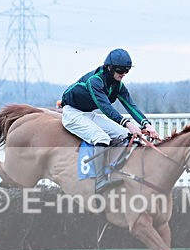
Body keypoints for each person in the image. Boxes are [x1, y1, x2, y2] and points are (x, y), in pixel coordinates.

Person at [60, 48, 160, 193]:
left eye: (126, 70)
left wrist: (147, 125)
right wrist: (128, 123)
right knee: (101, 138)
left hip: (87, 113)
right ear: (109, 67)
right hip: (72, 113)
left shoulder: (118, 85)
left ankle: (114, 169)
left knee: (125, 135)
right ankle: (100, 181)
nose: (123, 74)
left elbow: (131, 106)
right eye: (120, 70)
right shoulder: (95, 81)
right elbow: (105, 108)